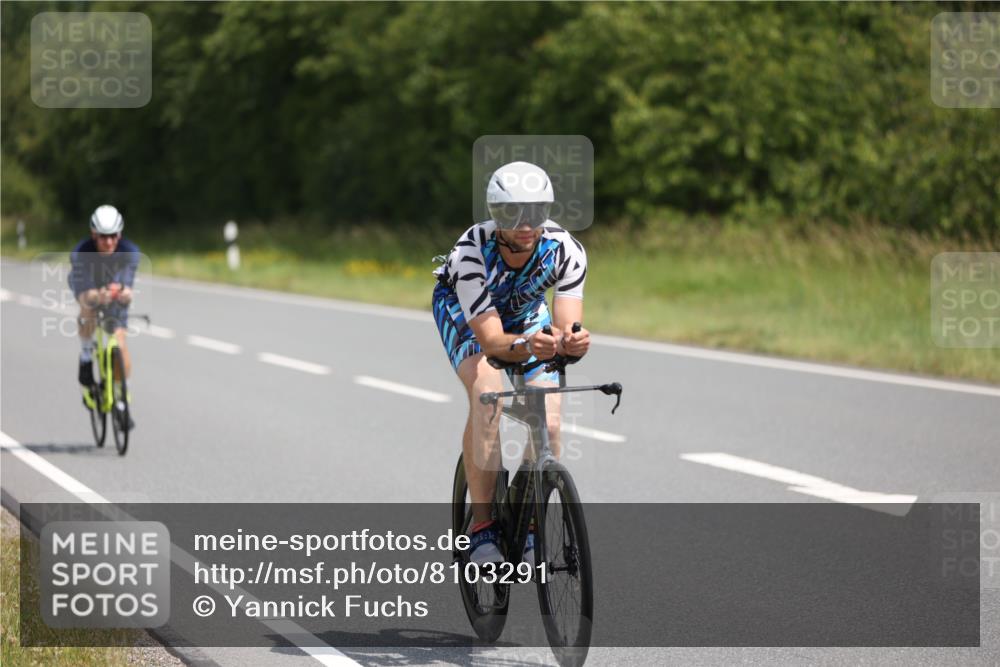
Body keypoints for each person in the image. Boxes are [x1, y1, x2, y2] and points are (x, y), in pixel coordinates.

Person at [432, 161, 591, 564]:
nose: (525, 223)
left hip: (523, 314)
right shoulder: (471, 251)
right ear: (494, 214)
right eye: (511, 213)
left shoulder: (566, 250)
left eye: (535, 212)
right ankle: (483, 528)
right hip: (467, 315)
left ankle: (530, 522)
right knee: (489, 395)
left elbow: (561, 327)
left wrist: (572, 341)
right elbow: (491, 342)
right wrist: (527, 344)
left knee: (549, 419)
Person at [69, 205, 140, 427]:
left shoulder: (131, 251)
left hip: (114, 294)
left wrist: (126, 293)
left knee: (120, 343)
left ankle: (120, 398)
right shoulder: (81, 252)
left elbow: (127, 286)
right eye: (102, 237)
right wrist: (97, 295)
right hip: (89, 286)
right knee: (88, 306)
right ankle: (86, 356)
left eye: (113, 236)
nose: (108, 242)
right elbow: (85, 291)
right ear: (93, 234)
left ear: (119, 234)